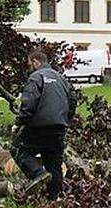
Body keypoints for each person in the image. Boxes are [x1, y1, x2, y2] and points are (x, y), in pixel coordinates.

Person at [12, 47, 76, 198]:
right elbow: (73, 100)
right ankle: (55, 200)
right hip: (59, 127)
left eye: (29, 64)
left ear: (35, 62)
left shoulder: (36, 77)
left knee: (18, 149)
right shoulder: (61, 79)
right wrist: (65, 119)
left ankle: (38, 174)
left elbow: (29, 103)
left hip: (38, 127)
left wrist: (19, 123)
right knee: (54, 164)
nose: (29, 67)